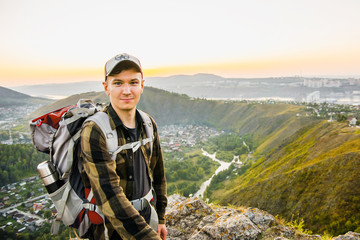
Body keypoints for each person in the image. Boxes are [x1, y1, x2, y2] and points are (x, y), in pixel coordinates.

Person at [80, 53, 167, 240]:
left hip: (146, 217)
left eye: (133, 82)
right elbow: (109, 195)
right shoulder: (95, 130)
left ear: (142, 85)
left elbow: (158, 175)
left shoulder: (148, 124)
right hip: (109, 228)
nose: (127, 90)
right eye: (118, 83)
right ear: (106, 87)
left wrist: (160, 218)